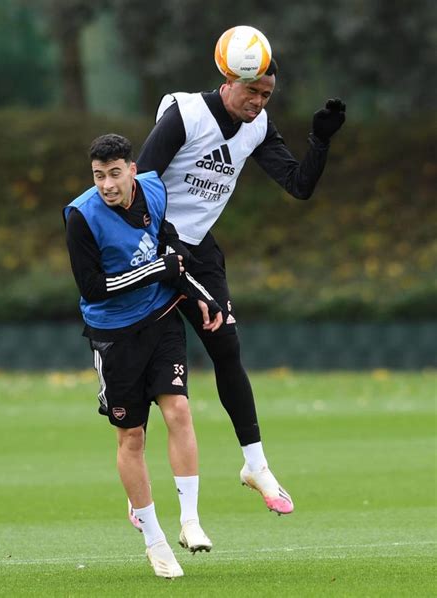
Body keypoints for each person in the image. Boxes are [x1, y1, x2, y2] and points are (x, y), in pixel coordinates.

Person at [136, 56, 346, 515]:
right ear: (227, 80)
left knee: (226, 347)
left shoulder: (258, 126)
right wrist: (166, 245)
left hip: (200, 251)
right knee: (146, 369)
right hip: (154, 246)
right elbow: (141, 184)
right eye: (251, 91)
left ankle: (256, 465)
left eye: (266, 94)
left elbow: (299, 185)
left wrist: (321, 141)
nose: (258, 102)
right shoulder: (184, 114)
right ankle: (141, 492)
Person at [64, 133, 223, 578]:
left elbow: (167, 245)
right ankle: (154, 540)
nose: (107, 185)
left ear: (132, 169)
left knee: (179, 410)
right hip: (114, 335)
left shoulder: (154, 188)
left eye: (115, 173)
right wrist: (155, 270)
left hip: (161, 320)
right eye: (99, 176)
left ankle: (189, 521)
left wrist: (200, 294)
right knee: (131, 438)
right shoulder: (81, 216)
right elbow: (92, 288)